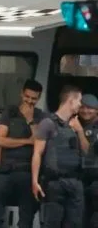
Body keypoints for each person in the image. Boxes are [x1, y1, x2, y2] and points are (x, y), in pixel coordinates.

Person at [0, 79, 46, 228]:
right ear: (21, 94)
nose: (30, 101)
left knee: (26, 219)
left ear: (39, 98)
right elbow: (0, 141)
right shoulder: (10, 112)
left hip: (27, 174)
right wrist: (26, 141)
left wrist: (30, 120)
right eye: (27, 97)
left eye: (34, 98)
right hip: (6, 172)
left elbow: (38, 141)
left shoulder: (40, 116)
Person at [31, 85, 87, 228]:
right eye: (79, 101)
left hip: (75, 182)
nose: (81, 105)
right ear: (70, 101)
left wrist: (80, 131)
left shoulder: (77, 125)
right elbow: (37, 153)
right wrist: (34, 181)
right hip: (55, 183)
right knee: (52, 223)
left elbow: (86, 151)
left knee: (75, 224)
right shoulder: (48, 123)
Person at [79, 93, 98, 227]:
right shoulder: (76, 124)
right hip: (81, 179)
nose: (86, 111)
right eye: (83, 107)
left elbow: (89, 151)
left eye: (90, 108)